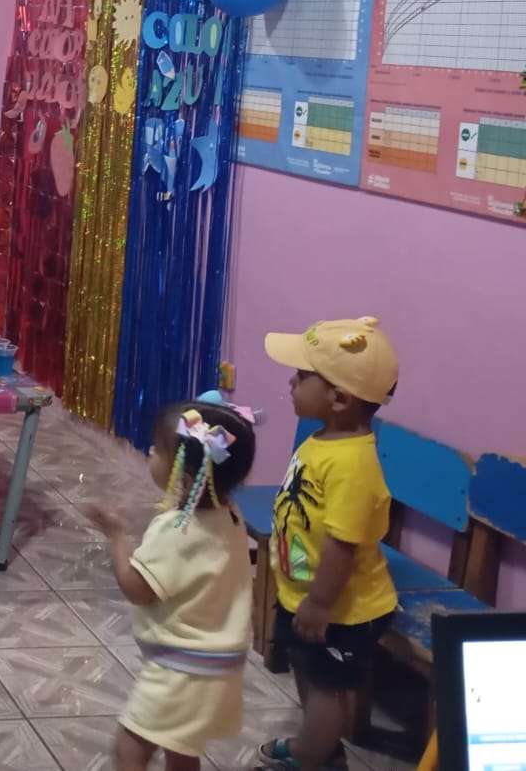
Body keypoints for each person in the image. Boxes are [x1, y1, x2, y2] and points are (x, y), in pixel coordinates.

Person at [258, 318, 400, 771]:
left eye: (302, 377)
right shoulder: (324, 440)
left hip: (340, 610)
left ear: (339, 399)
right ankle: (321, 749)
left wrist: (319, 604)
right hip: (305, 596)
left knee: (326, 689)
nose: (291, 383)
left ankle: (308, 758)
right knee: (308, 670)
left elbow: (343, 544)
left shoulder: (353, 465)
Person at [83, 402, 256, 770]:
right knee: (182, 748)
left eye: (158, 449)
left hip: (183, 671)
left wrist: (117, 535)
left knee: (131, 748)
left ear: (187, 479)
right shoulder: (231, 516)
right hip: (221, 666)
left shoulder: (177, 529)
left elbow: (137, 589)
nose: (150, 452)